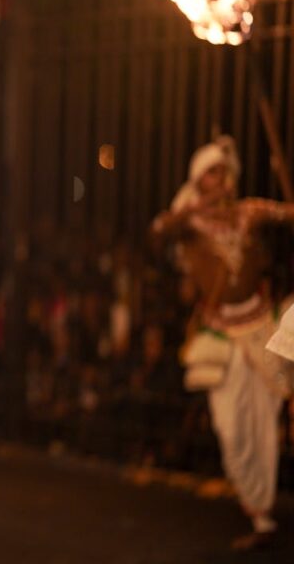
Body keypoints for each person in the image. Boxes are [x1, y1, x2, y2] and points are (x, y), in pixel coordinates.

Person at [152, 135, 294, 551]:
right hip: (218, 332)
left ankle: (264, 519)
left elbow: (285, 214)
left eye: (222, 171)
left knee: (266, 424)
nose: (219, 179)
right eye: (210, 173)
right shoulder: (189, 222)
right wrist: (191, 206)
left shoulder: (250, 211)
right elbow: (160, 229)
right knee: (231, 429)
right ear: (198, 181)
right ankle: (255, 505)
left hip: (259, 326)